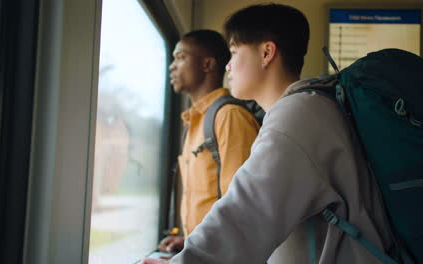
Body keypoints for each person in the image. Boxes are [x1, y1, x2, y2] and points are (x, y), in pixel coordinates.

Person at [142, 4, 393, 264]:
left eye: (234, 52)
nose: (227, 66)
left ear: (266, 53)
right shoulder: (305, 109)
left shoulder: (297, 118)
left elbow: (244, 215)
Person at [156, 30, 261, 254]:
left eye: (181, 57)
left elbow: (239, 206)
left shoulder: (229, 116)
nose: (172, 66)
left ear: (207, 64)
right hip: (202, 250)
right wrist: (189, 240)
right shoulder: (193, 123)